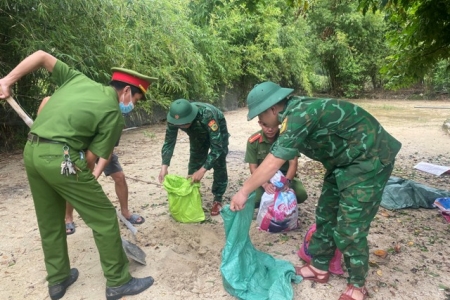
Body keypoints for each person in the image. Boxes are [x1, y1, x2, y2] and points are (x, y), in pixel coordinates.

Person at [0, 50, 158, 300]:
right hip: (62, 158)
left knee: (50, 220)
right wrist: (83, 183)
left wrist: (7, 81)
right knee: (104, 217)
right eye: (136, 99)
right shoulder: (113, 114)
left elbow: (41, 55)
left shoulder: (77, 79)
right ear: (127, 91)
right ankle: (118, 282)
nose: (132, 105)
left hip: (32, 152)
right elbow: (91, 158)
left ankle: (58, 279)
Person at [230, 81, 401, 300]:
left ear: (273, 108)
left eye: (259, 115)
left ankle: (357, 285)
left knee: (350, 226)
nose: (259, 121)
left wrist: (244, 192)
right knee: (325, 214)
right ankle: (319, 267)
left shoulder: (298, 115)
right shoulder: (289, 116)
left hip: (368, 159)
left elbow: (274, 161)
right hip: (342, 162)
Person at [38, 97, 145, 235]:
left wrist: (94, 176)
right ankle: (68, 217)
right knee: (74, 183)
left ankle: (125, 212)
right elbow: (47, 103)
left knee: (119, 176)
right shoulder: (84, 107)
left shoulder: (115, 120)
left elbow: (108, 151)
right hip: (79, 148)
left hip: (101, 148)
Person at [158, 99, 229, 216]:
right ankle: (192, 193)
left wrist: (203, 170)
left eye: (184, 124)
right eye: (179, 125)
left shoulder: (207, 115)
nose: (182, 127)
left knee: (219, 160)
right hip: (196, 133)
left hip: (217, 128)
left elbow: (217, 148)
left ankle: (218, 197)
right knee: (195, 157)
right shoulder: (173, 119)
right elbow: (169, 142)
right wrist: (164, 166)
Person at [245, 116, 308, 206]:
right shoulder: (253, 141)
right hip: (264, 177)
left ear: (279, 123)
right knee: (254, 200)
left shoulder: (288, 138)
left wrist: (287, 182)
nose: (270, 129)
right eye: (266, 125)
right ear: (260, 123)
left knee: (301, 194)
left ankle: (286, 206)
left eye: (273, 126)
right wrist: (265, 184)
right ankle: (268, 208)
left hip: (285, 176)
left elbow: (293, 163)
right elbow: (253, 168)